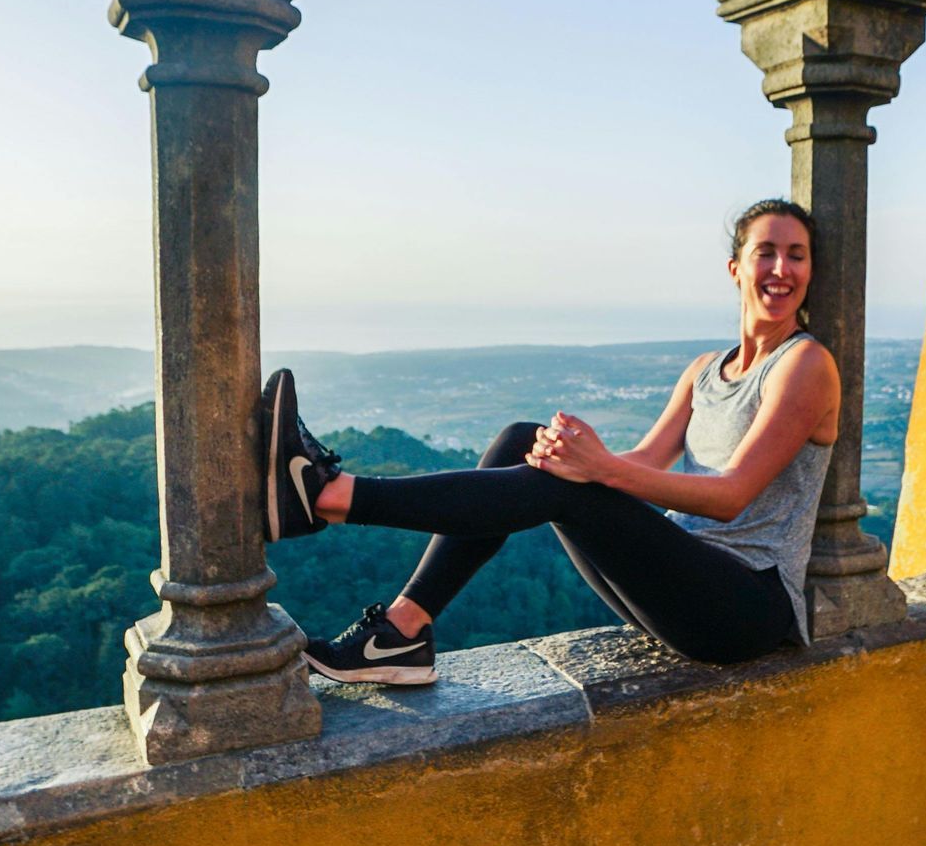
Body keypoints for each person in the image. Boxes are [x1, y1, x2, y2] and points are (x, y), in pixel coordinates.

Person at [262, 198, 839, 685]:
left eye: (796, 255)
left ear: (810, 272)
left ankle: (331, 497)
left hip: (744, 607)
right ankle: (402, 631)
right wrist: (580, 457)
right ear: (736, 268)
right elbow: (643, 462)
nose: (781, 269)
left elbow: (732, 494)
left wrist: (597, 471)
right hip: (680, 584)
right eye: (766, 252)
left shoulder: (804, 364)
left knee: (576, 490)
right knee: (523, 441)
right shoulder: (707, 369)